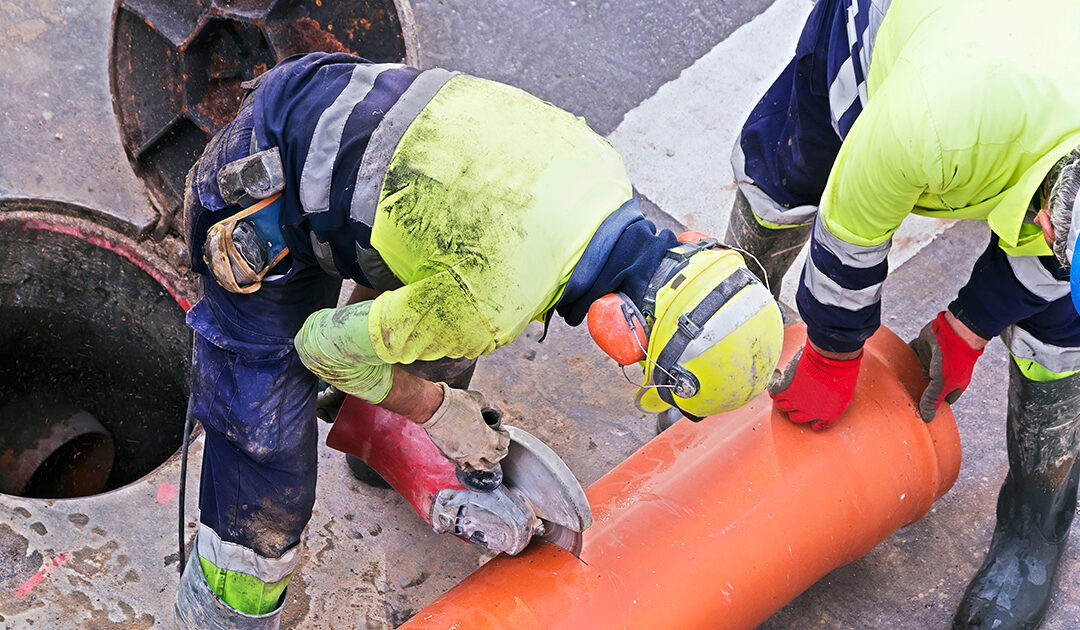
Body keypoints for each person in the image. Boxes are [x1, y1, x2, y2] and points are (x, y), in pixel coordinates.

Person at [176, 51, 783, 627]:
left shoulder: (601, 167)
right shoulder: (493, 297)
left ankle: (381, 444)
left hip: (349, 113)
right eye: (636, 362)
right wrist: (438, 411)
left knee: (444, 320)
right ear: (624, 329)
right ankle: (224, 611)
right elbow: (320, 346)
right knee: (265, 447)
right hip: (262, 187)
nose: (623, 363)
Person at [722, 0, 1080, 627]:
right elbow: (851, 230)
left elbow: (1053, 265)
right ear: (1051, 217)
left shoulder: (1062, 210)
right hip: (898, 40)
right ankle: (709, 351)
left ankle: (1033, 530)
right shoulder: (926, 119)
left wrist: (968, 326)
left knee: (1062, 339)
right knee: (785, 174)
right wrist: (834, 354)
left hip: (1032, 73)